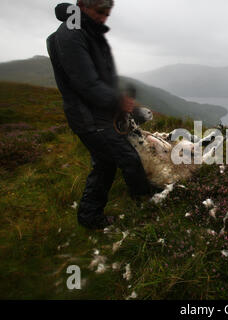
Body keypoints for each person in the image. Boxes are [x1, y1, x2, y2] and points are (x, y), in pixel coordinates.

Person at [47, 0, 153, 230]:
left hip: (95, 113)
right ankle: (146, 209)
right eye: (100, 12)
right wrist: (117, 101)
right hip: (88, 116)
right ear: (82, 6)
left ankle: (89, 217)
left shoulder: (81, 30)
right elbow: (86, 83)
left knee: (105, 164)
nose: (104, 18)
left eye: (107, 13)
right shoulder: (71, 34)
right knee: (128, 158)